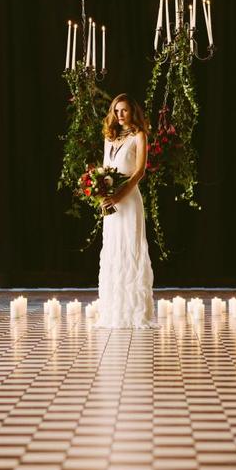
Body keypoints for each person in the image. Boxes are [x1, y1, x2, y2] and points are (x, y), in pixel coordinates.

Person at [95, 93, 158, 329]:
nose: (120, 115)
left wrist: (119, 196)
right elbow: (104, 169)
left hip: (129, 200)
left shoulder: (139, 135)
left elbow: (139, 171)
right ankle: (114, 311)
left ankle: (135, 312)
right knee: (113, 249)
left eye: (124, 111)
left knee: (130, 250)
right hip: (111, 202)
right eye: (117, 110)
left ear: (133, 112)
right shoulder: (110, 137)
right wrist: (102, 194)